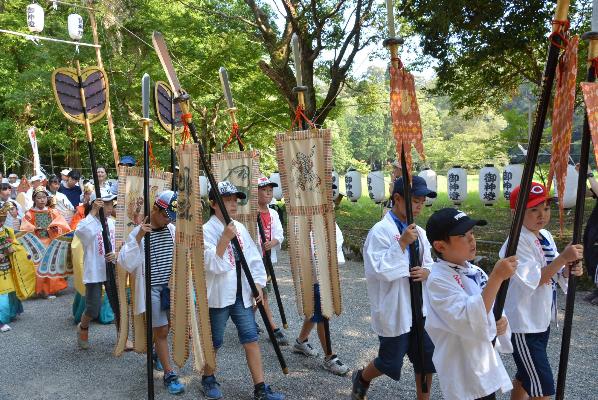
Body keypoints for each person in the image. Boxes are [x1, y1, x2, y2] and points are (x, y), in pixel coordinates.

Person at [352, 176, 436, 400]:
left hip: (420, 306)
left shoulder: (419, 231)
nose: (419, 206)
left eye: (422, 201)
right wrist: (401, 244)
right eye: (415, 200)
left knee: (426, 357)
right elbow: (378, 269)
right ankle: (362, 377)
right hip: (395, 306)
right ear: (397, 199)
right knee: (390, 360)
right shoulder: (380, 231)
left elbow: (429, 262)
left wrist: (427, 272)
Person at [201, 181, 284, 400]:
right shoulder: (206, 231)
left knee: (250, 339)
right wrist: (224, 239)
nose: (233, 204)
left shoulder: (240, 227)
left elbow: (254, 258)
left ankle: (260, 388)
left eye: (234, 200)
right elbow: (212, 265)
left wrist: (257, 284)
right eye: (226, 200)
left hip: (242, 293)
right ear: (213, 203)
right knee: (215, 341)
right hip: (219, 295)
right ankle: (208, 378)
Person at [501, 183, 584, 400]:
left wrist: (568, 268)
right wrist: (562, 259)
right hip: (523, 323)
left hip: (540, 318)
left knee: (526, 376)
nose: (542, 215)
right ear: (515, 213)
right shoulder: (516, 241)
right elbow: (536, 279)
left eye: (546, 208)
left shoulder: (544, 234)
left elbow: (554, 272)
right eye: (534, 210)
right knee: (543, 385)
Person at [425, 208, 517, 400]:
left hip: (483, 363)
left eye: (472, 233)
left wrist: (500, 321)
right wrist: (496, 277)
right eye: (462, 235)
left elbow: (490, 307)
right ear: (440, 246)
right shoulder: (438, 280)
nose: (471, 240)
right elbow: (467, 318)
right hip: (461, 368)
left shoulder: (475, 271)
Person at [118, 190, 185, 395]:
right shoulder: (139, 232)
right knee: (162, 331)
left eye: (171, 217)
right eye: (166, 215)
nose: (168, 220)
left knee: (169, 326)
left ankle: (158, 353)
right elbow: (126, 263)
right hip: (153, 289)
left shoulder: (172, 229)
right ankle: (169, 373)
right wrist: (138, 237)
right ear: (156, 209)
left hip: (170, 287)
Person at [292, 183, 349, 376]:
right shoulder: (305, 220)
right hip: (314, 277)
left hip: (327, 275)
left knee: (316, 311)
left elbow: (336, 247)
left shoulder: (330, 222)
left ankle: (300, 342)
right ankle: (329, 357)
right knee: (323, 313)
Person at [74, 193, 117, 349]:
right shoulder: (88, 222)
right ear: (96, 205)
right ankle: (83, 327)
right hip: (94, 269)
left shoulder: (113, 223)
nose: (109, 207)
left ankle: (122, 336)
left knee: (117, 304)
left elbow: (122, 244)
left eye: (111, 204)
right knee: (93, 307)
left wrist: (116, 255)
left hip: (111, 267)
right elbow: (81, 233)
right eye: (105, 204)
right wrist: (92, 212)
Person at [20, 186, 71, 297]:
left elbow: (61, 223)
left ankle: (52, 289)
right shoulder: (30, 214)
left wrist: (55, 227)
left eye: (44, 197)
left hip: (51, 241)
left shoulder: (52, 212)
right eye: (39, 197)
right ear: (34, 199)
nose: (42, 200)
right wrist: (33, 229)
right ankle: (43, 290)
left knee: (52, 264)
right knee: (39, 267)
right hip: (37, 243)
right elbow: (24, 227)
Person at [255, 176, 287, 346]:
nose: (268, 193)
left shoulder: (273, 213)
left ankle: (248, 320)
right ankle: (273, 328)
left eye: (270, 190)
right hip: (254, 260)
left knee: (259, 292)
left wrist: (273, 242)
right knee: (263, 293)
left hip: (267, 260)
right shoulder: (251, 213)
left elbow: (280, 234)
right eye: (264, 190)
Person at [0, 202, 36, 331]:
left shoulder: (8, 231)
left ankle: (11, 313)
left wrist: (23, 254)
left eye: (3, 219)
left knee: (11, 291)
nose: (1, 221)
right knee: (2, 295)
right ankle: (0, 321)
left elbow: (16, 245)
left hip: (8, 266)